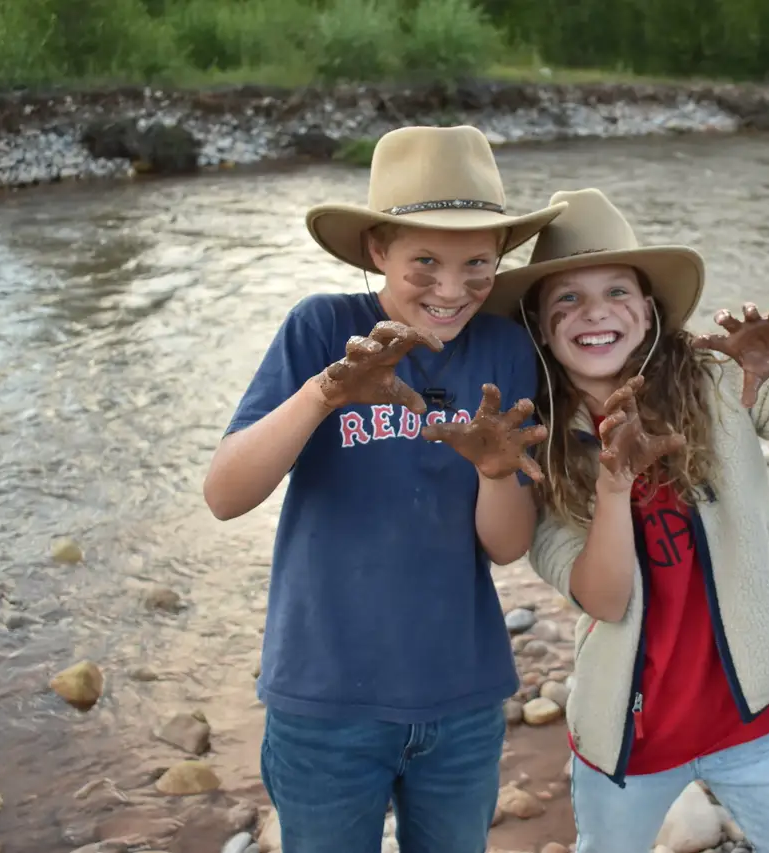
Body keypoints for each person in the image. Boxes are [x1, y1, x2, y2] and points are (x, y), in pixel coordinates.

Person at [488, 188, 769, 852]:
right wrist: (614, 488)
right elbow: (604, 596)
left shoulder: (714, 382)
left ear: (648, 312)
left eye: (617, 291)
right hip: (628, 732)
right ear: (537, 324)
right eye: (566, 299)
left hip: (754, 717)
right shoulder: (536, 442)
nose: (594, 312)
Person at [202, 125, 568, 853]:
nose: (452, 287)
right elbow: (224, 494)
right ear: (378, 249)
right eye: (424, 260)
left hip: (461, 699)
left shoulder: (502, 348)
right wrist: (323, 394)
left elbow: (505, 545)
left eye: (478, 264)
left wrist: (497, 470)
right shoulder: (322, 328)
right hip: (325, 702)